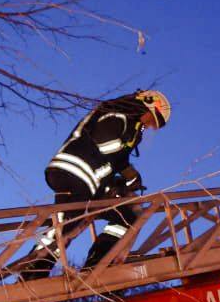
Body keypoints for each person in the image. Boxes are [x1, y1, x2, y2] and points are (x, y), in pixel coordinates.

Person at [17, 90, 171, 278]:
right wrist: (122, 169)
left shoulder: (129, 122)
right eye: (153, 120)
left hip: (88, 179)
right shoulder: (119, 113)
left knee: (127, 216)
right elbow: (105, 144)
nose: (150, 126)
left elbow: (113, 158)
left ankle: (98, 264)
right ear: (147, 106)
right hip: (76, 172)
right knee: (68, 223)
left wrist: (128, 176)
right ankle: (34, 270)